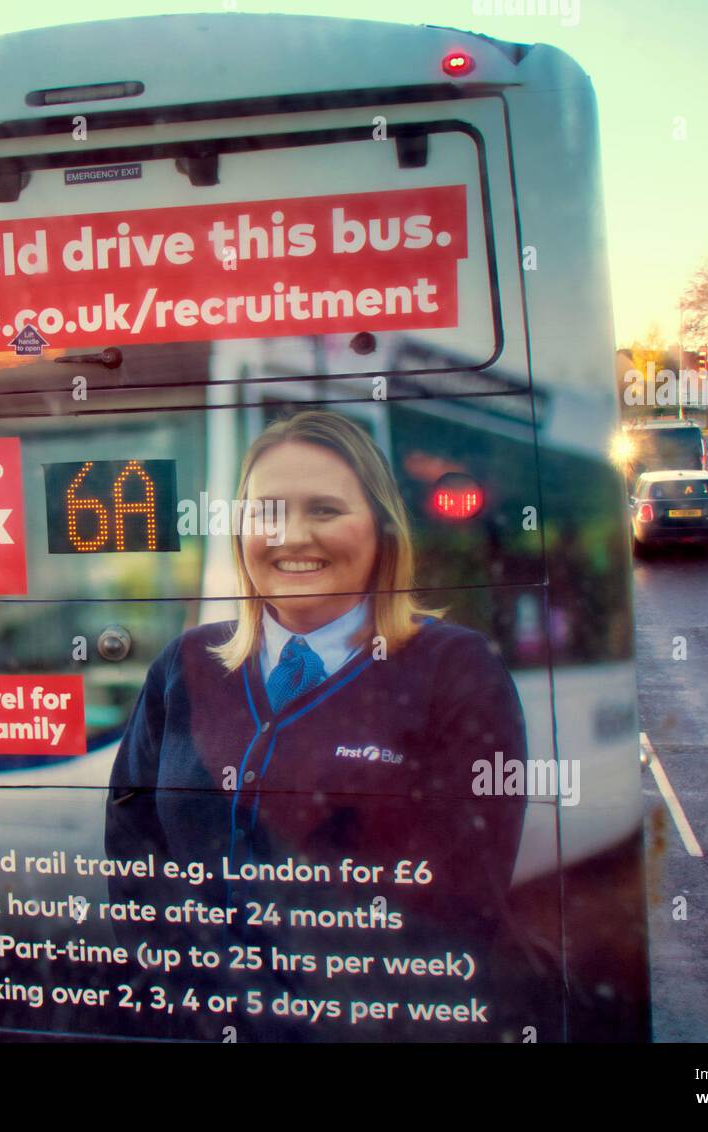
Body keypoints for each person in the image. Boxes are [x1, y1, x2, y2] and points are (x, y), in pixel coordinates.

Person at [105, 410, 528, 1039]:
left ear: (383, 529)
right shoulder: (185, 664)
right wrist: (188, 999)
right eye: (268, 512)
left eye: (325, 510)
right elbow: (133, 851)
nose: (292, 537)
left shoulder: (457, 671)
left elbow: (460, 903)